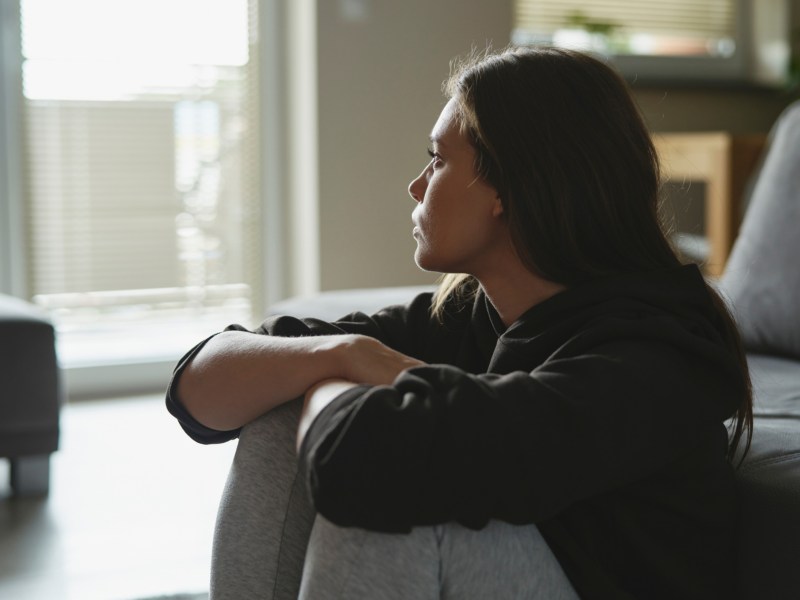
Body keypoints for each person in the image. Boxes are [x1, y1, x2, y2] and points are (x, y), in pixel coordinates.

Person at [167, 46, 753, 600]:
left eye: (438, 159)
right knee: (278, 408)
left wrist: (337, 374)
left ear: (508, 187)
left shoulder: (652, 361)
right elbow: (199, 388)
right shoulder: (480, 314)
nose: (417, 185)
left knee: (397, 502)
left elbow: (357, 460)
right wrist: (341, 354)